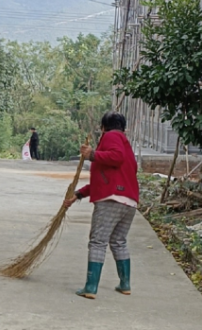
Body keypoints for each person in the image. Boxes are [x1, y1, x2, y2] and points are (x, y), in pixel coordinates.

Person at [63, 111, 139, 300]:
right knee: (118, 240)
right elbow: (105, 178)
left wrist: (92, 154)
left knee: (98, 241)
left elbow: (116, 157)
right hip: (128, 201)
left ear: (103, 127)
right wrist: (78, 195)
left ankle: (91, 287)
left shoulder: (112, 136)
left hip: (111, 200)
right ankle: (125, 284)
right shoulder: (125, 144)